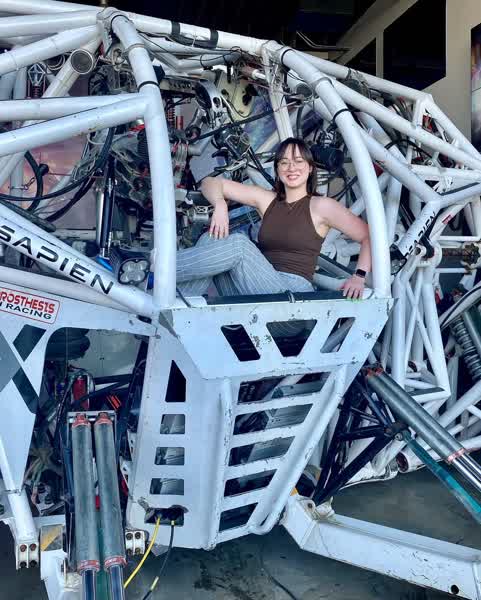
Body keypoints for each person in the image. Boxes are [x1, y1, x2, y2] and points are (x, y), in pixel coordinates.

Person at [177, 137, 371, 301]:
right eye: (284, 162)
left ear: (310, 168)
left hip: (292, 297)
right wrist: (220, 204)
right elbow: (210, 183)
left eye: (298, 161)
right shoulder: (267, 200)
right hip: (256, 289)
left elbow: (368, 236)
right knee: (211, 238)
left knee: (239, 245)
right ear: (277, 169)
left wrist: (359, 276)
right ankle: (176, 309)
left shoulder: (322, 205)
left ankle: (164, 270)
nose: (291, 167)